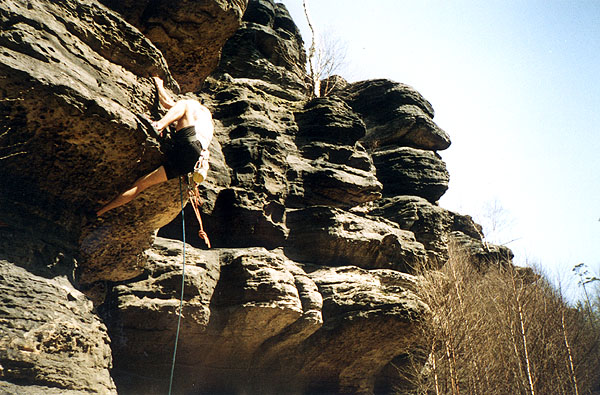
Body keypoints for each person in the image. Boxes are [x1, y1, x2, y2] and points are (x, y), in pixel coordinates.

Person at [96, 76, 214, 217]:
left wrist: (159, 85)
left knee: (185, 104)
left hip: (190, 145)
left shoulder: (196, 106)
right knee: (141, 185)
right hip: (190, 162)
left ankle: (158, 125)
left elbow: (168, 103)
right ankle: (98, 213)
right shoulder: (209, 126)